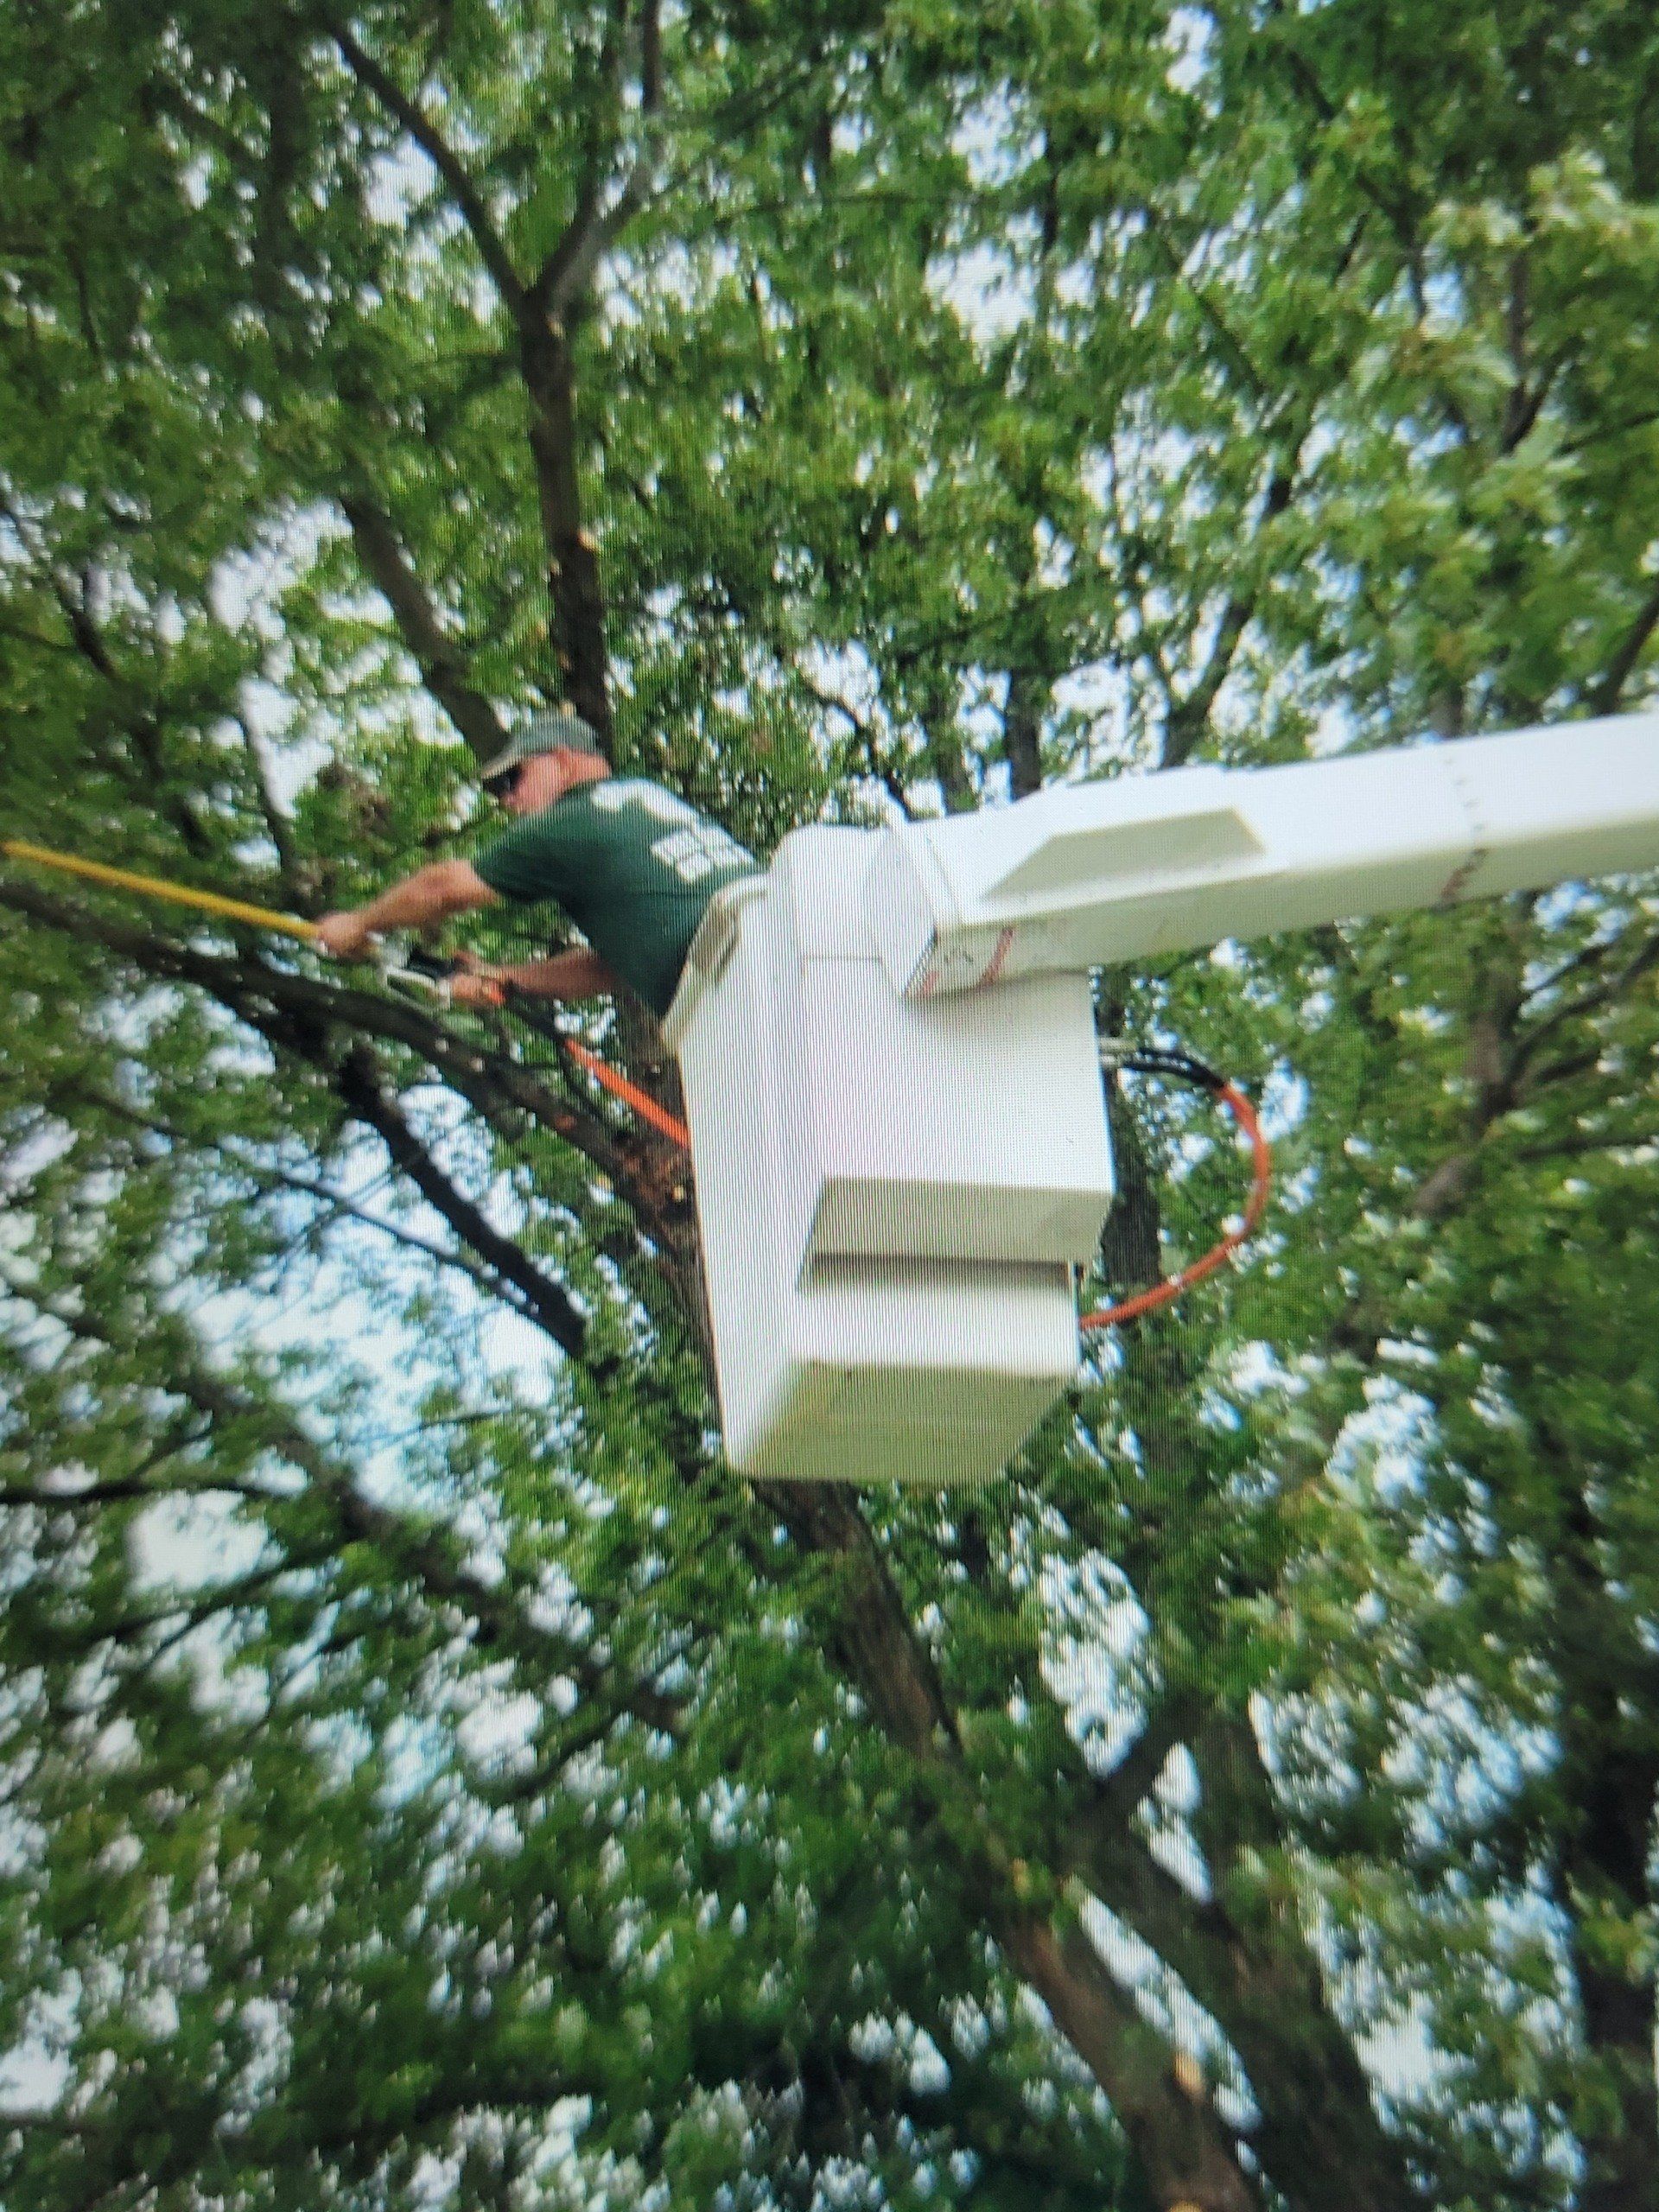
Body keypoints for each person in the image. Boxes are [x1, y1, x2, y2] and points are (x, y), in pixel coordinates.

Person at [314, 709, 760, 1018]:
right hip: (785, 948)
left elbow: (443, 888)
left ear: (562, 761)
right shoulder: (643, 802)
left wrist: (360, 923)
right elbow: (608, 968)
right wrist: (506, 977)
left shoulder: (570, 820)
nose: (508, 800)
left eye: (514, 778)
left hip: (730, 993)